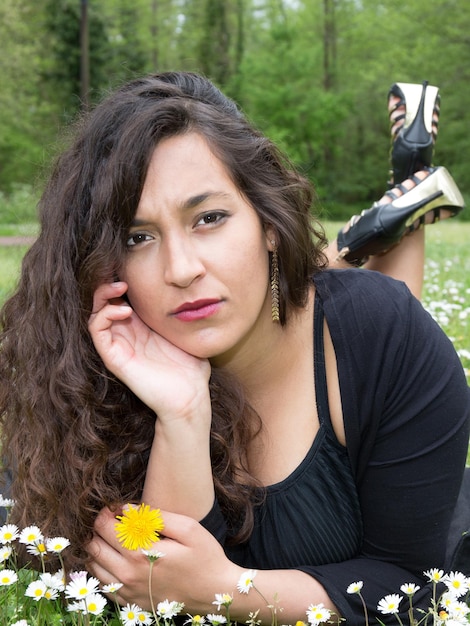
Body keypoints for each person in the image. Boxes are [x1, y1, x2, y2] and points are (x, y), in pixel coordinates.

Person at [0, 73, 468, 625]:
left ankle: (389, 206)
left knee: (372, 323)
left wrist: (229, 588)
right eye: (137, 237)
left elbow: (409, 587)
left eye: (209, 218)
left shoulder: (380, 332)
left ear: (269, 221)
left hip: (412, 502)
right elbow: (159, 601)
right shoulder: (88, 378)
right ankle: (396, 196)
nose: (181, 270)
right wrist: (182, 413)